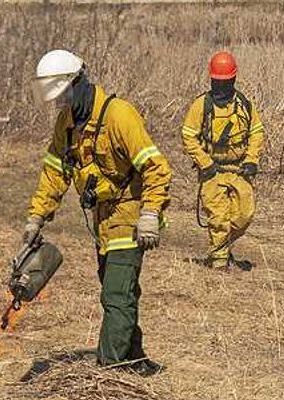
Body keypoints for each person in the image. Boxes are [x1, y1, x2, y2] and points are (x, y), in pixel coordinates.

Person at [25, 49, 172, 376]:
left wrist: (150, 214)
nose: (59, 103)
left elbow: (157, 168)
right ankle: (136, 360)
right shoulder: (66, 123)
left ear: (78, 82)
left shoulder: (119, 115)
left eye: (62, 95)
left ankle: (110, 374)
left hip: (130, 217)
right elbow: (55, 173)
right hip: (103, 221)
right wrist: (37, 217)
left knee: (116, 294)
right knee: (119, 289)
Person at [179, 50, 265, 271]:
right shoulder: (201, 105)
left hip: (239, 169)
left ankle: (221, 248)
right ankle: (218, 264)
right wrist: (204, 162)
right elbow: (188, 134)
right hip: (212, 171)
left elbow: (256, 131)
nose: (222, 86)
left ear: (233, 80)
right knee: (218, 217)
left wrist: (252, 159)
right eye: (218, 82)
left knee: (244, 215)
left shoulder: (244, 104)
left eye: (226, 82)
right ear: (212, 80)